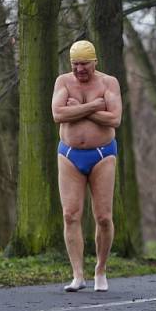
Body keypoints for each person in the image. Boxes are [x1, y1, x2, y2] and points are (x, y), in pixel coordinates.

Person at [51, 40, 122, 292]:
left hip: (102, 154)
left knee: (103, 217)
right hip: (69, 154)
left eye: (84, 64)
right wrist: (94, 106)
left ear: (95, 62)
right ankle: (77, 275)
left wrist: (79, 109)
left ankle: (100, 269)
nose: (80, 69)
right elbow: (58, 114)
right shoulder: (63, 82)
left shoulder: (108, 82)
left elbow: (114, 118)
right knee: (70, 214)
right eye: (75, 64)